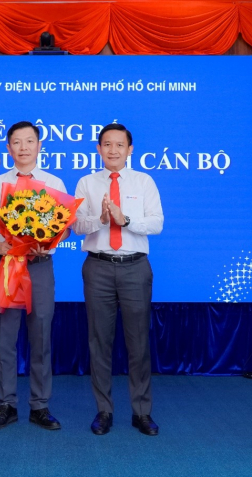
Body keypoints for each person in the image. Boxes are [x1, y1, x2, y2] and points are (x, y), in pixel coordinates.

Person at [0, 121, 67, 431]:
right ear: (8, 147)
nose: (23, 147)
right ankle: (6, 405)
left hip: (40, 266)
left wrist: (48, 241)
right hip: (7, 266)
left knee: (41, 337)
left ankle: (40, 406)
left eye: (29, 141)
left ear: (40, 146)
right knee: (6, 338)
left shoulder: (54, 182)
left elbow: (65, 227)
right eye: (16, 141)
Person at [71, 123, 164, 436]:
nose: (113, 150)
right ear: (98, 149)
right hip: (97, 267)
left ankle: (142, 412)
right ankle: (104, 411)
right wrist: (100, 219)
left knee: (138, 342)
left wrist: (126, 220)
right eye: (107, 144)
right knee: (99, 342)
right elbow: (76, 226)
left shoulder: (144, 181)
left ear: (130, 149)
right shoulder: (86, 182)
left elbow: (157, 223)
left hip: (135, 268)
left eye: (119, 145)